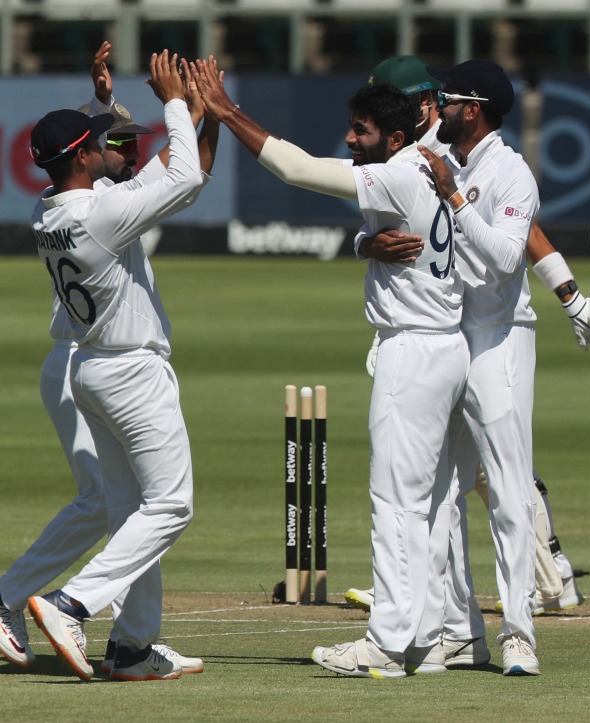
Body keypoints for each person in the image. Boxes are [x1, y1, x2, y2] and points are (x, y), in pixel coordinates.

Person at [194, 60, 471, 679]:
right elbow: (395, 236)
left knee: (396, 503)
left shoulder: (397, 174)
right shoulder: (428, 166)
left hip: (413, 350)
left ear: (394, 138)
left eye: (362, 130)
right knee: (426, 506)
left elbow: (296, 169)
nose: (351, 139)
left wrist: (226, 111)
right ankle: (425, 640)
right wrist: (365, 245)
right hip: (447, 346)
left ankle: (387, 645)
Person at [345, 58, 590, 647]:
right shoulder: (437, 147)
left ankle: (520, 631)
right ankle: (457, 630)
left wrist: (570, 297)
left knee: (509, 487)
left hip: (500, 333)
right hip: (444, 334)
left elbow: (510, 253)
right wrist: (367, 243)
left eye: (447, 100)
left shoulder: (510, 172)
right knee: (440, 492)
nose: (436, 109)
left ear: (472, 108)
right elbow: (392, 217)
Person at [0, 41, 216, 678]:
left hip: (92, 370)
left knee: (134, 513)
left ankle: (133, 647)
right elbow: (183, 177)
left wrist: (132, 105)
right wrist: (174, 106)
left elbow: (136, 171)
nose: (111, 150)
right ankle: (71, 602)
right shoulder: (103, 216)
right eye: (98, 144)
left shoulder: (46, 212)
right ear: (84, 156)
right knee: (172, 506)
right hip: (131, 370)